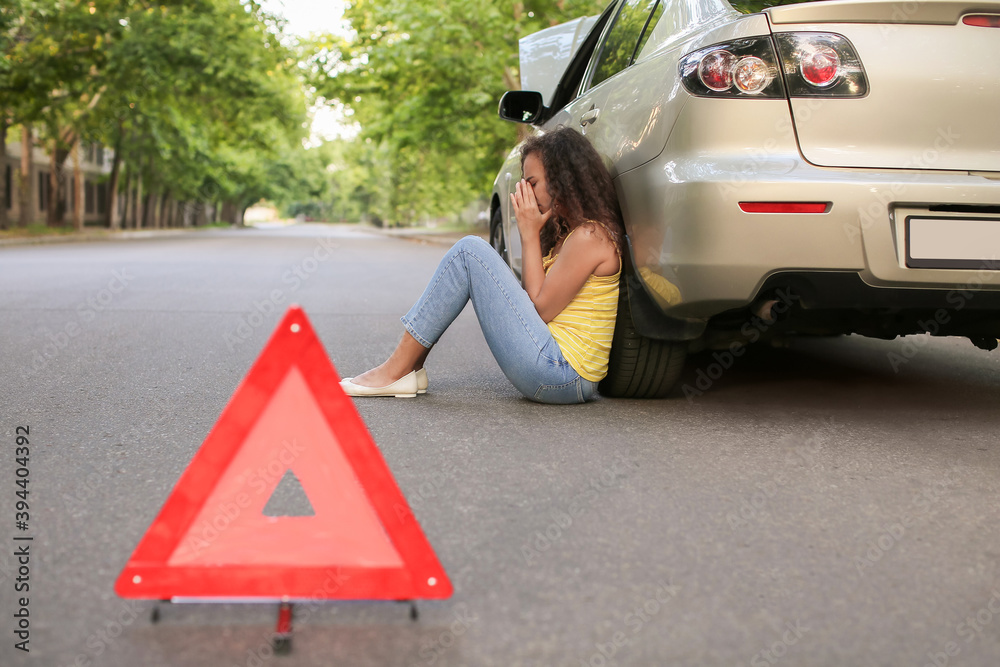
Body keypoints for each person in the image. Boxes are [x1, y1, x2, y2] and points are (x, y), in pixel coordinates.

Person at [340, 127, 625, 404]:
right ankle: (409, 368)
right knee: (469, 252)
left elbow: (539, 310)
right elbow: (534, 305)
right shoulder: (572, 235)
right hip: (557, 370)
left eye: (532, 182)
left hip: (562, 374)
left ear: (563, 180)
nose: (523, 191)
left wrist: (529, 234)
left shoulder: (590, 237)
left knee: (469, 252)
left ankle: (395, 369)